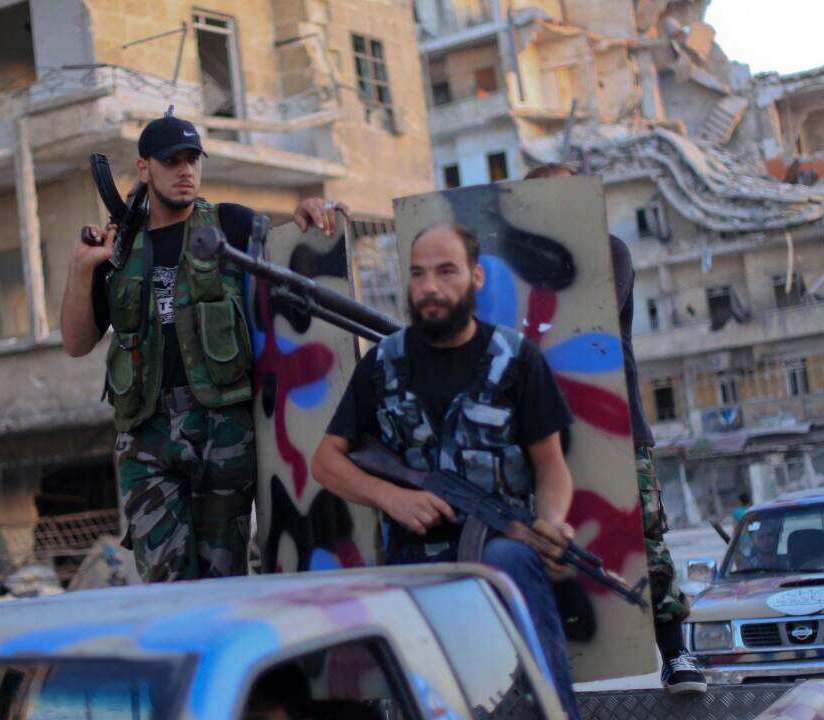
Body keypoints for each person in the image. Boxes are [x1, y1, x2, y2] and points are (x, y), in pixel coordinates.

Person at [310, 222, 583, 719]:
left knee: (514, 561)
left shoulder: (517, 361)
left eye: (445, 271)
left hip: (500, 551)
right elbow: (326, 462)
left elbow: (551, 467)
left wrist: (553, 521)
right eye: (418, 274)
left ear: (476, 277)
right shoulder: (382, 366)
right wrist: (393, 498)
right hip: (417, 560)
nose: (430, 287)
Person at [60, 109, 342, 583]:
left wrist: (309, 214)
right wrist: (83, 267)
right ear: (145, 168)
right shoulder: (121, 245)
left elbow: (285, 252)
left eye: (193, 159)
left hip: (222, 429)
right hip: (146, 435)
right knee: (166, 582)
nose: (186, 171)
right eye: (173, 161)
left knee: (224, 575)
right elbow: (75, 341)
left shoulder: (230, 225)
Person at [524, 163, 704, 694]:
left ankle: (675, 655)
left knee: (645, 538)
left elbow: (583, 310)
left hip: (613, 422)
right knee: (540, 537)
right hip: (541, 424)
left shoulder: (608, 251)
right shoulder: (516, 266)